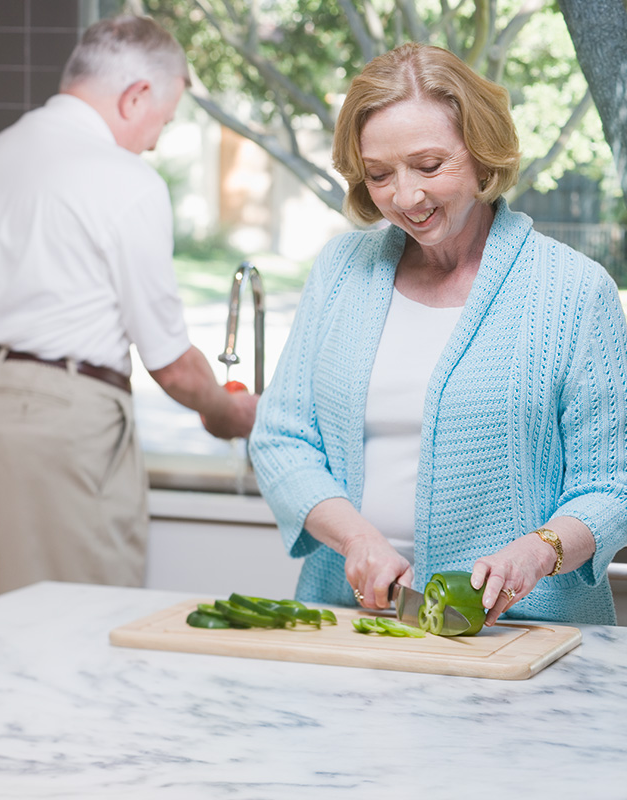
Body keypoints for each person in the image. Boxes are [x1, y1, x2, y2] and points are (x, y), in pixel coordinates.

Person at [249, 42, 627, 627]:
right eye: (379, 174)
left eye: (429, 166)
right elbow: (281, 440)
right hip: (353, 619)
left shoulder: (575, 291)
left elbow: (612, 486)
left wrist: (539, 552)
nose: (406, 197)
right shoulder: (340, 270)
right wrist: (356, 541)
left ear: (481, 154)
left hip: (528, 631)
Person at [0, 15, 258, 619]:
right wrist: (231, 413)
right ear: (136, 95)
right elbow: (172, 368)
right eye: (164, 121)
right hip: (44, 434)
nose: (154, 141)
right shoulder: (125, 179)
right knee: (66, 642)